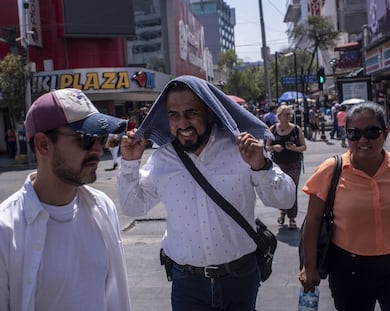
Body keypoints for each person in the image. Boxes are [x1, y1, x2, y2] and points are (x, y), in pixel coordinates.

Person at [117, 75, 295, 311]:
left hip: (240, 278)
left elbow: (286, 199)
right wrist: (130, 164)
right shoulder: (163, 158)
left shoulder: (239, 148)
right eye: (174, 115)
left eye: (191, 112)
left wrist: (261, 166)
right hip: (187, 284)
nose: (183, 124)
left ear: (209, 112)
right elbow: (133, 208)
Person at [0, 88, 131, 311]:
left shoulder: (103, 209)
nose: (98, 149)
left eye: (101, 137)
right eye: (86, 139)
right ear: (43, 145)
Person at [299, 102, 390, 311]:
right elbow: (312, 220)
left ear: (385, 134)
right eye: (354, 133)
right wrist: (309, 267)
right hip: (350, 270)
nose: (363, 140)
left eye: (372, 132)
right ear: (346, 135)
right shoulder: (332, 170)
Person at [266, 105, 306, 229]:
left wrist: (295, 148)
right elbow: (267, 146)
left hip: (293, 163)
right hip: (278, 164)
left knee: (292, 190)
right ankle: (283, 211)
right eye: (286, 114)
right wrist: (274, 148)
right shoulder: (272, 129)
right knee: (280, 190)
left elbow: (304, 147)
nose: (289, 116)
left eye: (290, 114)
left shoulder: (296, 129)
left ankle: (292, 218)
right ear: (279, 116)